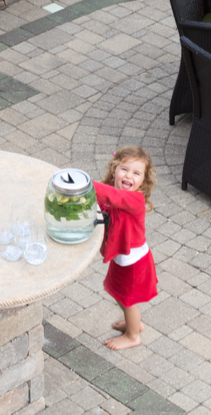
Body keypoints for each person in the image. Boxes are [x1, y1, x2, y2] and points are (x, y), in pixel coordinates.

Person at [93, 145, 158, 351]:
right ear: (114, 169)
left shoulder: (135, 199)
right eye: (124, 169)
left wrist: (85, 185)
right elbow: (105, 203)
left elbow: (112, 198)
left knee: (128, 300)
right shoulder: (114, 188)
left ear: (143, 181)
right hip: (121, 258)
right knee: (115, 291)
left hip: (134, 263)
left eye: (136, 173)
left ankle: (132, 336)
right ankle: (134, 323)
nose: (129, 176)